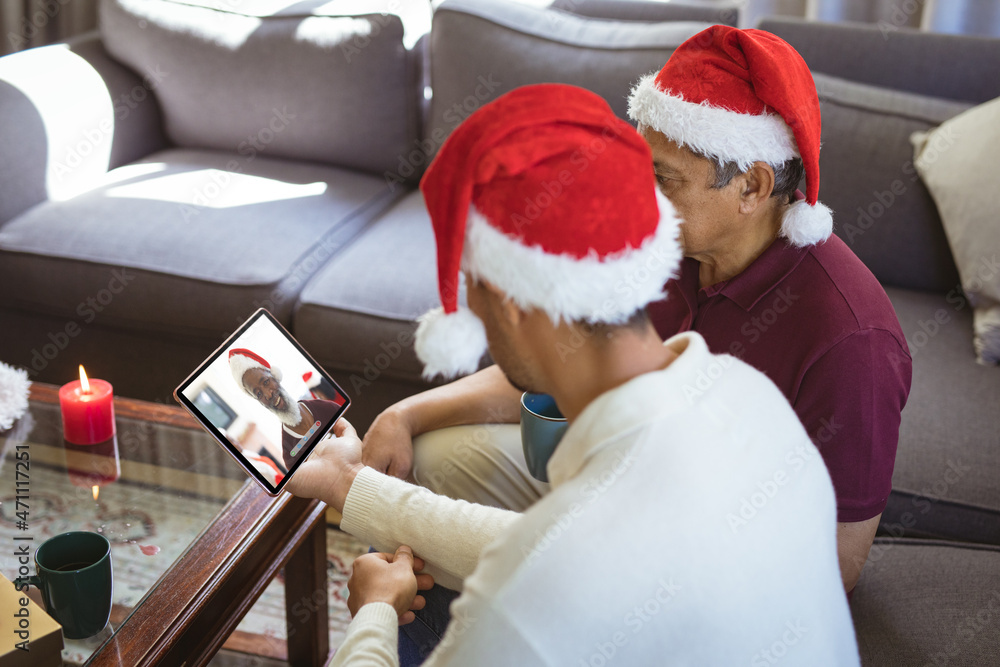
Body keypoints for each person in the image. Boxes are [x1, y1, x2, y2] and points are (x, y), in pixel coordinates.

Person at [287, 83, 859, 665]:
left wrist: (376, 610)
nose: (473, 308)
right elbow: (553, 549)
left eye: (471, 285)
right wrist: (346, 483)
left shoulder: (543, 601)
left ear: (508, 300)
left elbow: (557, 567)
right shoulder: (746, 394)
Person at [361, 25, 911, 594]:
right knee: (426, 459)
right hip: (606, 480)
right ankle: (408, 607)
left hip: (692, 570)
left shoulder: (852, 339)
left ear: (752, 185)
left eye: (662, 178)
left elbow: (836, 567)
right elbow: (553, 357)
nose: (638, 193)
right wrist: (406, 414)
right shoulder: (668, 244)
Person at [227, 348, 345, 469]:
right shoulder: (290, 457)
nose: (268, 394)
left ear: (275, 376)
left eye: (266, 382)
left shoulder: (329, 409)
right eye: (258, 394)